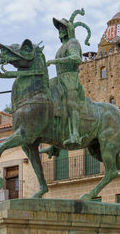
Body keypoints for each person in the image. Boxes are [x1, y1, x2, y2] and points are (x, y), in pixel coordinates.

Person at [46, 9, 91, 147]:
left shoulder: (73, 43)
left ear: (68, 30)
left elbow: (76, 58)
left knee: (71, 103)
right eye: (59, 27)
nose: (60, 29)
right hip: (59, 78)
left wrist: (55, 62)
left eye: (63, 27)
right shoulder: (61, 47)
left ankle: (75, 134)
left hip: (70, 78)